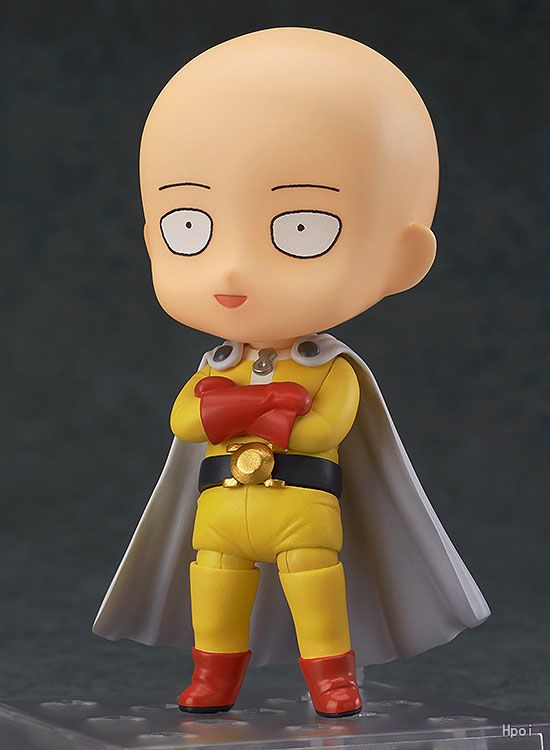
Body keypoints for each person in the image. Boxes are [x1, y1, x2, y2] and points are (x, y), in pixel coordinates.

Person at [93, 27, 490, 719]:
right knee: (214, 586)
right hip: (221, 510)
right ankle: (213, 677)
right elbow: (185, 421)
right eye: (190, 226)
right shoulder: (217, 365)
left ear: (403, 258)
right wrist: (261, 408)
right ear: (153, 237)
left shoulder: (328, 367)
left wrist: (243, 413)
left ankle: (332, 680)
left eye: (301, 229)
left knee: (315, 586)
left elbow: (322, 431)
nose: (232, 268)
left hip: (302, 509)